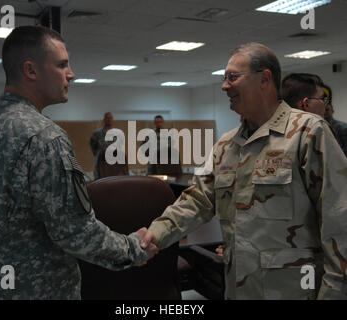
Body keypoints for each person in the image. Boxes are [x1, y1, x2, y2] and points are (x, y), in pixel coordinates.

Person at [141, 42, 347, 300]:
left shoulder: (307, 133)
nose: (224, 86)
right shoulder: (226, 145)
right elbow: (197, 201)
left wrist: (335, 293)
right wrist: (155, 234)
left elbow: (339, 220)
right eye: (224, 78)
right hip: (239, 289)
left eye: (232, 77)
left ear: (264, 78)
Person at [0, 26, 157, 300]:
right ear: (31, 71)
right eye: (61, 65)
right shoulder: (45, 137)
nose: (71, 74)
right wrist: (133, 249)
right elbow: (75, 232)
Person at [90, 112, 118, 179]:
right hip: (100, 161)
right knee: (99, 180)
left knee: (113, 180)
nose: (109, 119)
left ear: (113, 119)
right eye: (107, 118)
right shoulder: (97, 133)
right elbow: (93, 146)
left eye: (110, 118)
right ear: (104, 119)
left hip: (113, 162)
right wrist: (98, 154)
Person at [323, 84, 347, 156]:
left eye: (327, 110)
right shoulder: (319, 125)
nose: (324, 112)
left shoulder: (343, 127)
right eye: (323, 110)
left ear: (332, 110)